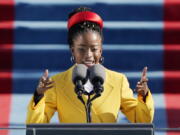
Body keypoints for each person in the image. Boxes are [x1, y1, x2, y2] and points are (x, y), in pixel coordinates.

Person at [26, 7, 154, 123]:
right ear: (73, 51)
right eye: (81, 49)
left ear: (101, 50)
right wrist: (39, 95)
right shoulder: (57, 83)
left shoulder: (118, 81)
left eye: (94, 49)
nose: (88, 55)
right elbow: (36, 126)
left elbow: (142, 120)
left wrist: (144, 95)